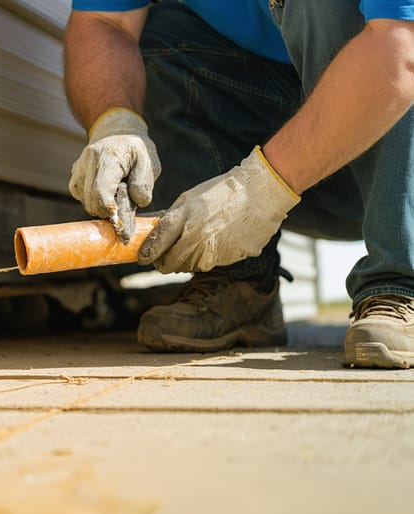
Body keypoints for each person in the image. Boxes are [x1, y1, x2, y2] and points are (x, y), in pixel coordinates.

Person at [64, 0, 414, 368]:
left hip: (391, 148)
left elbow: (401, 45)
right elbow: (105, 21)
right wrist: (116, 123)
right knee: (160, 33)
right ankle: (240, 283)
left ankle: (400, 280)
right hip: (298, 154)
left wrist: (257, 189)